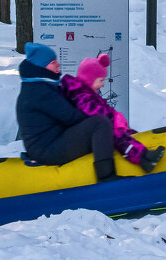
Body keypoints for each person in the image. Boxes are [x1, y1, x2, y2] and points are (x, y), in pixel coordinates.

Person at [16, 42, 120, 182]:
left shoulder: (38, 86)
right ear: (42, 67)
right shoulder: (40, 91)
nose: (58, 65)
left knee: (98, 124)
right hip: (47, 150)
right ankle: (106, 176)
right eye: (53, 62)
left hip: (47, 144)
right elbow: (72, 117)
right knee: (99, 123)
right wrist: (98, 113)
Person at [60, 53, 165, 173]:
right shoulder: (79, 94)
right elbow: (95, 112)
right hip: (88, 134)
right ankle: (141, 157)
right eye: (100, 80)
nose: (103, 84)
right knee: (115, 134)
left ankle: (144, 155)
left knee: (120, 132)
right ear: (89, 79)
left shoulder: (86, 92)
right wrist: (114, 118)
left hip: (93, 130)